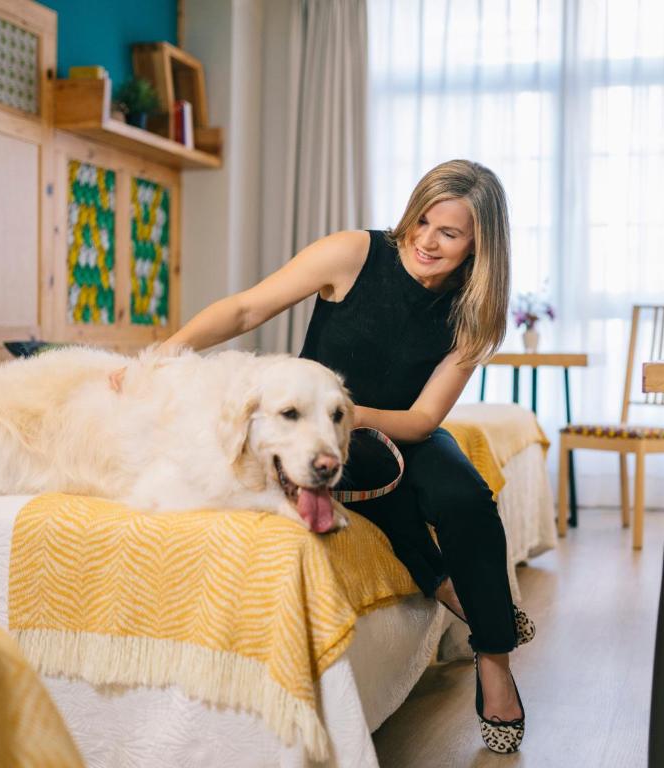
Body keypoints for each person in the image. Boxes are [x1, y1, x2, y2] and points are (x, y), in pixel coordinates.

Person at [131, 159, 531, 753]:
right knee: (379, 492)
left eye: (448, 234)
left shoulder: (476, 311)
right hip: (328, 431)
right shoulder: (354, 253)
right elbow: (245, 310)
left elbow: (423, 419)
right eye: (421, 220)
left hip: (397, 426)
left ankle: (493, 659)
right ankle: (447, 583)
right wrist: (161, 354)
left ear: (479, 246)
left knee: (465, 495)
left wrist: (355, 411)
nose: (425, 240)